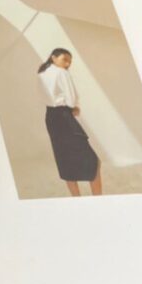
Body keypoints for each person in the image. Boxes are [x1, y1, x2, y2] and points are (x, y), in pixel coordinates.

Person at [37, 47, 102, 197]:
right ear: (53, 57)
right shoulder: (62, 73)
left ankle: (76, 200)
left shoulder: (41, 73)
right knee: (94, 162)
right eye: (64, 59)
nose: (67, 64)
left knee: (65, 161)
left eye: (69, 62)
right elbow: (71, 100)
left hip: (51, 118)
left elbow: (43, 96)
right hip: (64, 118)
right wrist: (74, 108)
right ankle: (99, 200)